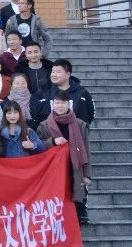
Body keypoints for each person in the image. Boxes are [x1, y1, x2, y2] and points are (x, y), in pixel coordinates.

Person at [37, 92, 93, 224]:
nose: (60, 106)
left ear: (69, 104)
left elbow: (86, 148)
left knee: (76, 197)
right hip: (54, 169)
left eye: (63, 103)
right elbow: (38, 146)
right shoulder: (44, 125)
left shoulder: (79, 125)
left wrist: (87, 174)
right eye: (57, 103)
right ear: (52, 105)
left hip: (75, 166)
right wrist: (53, 141)